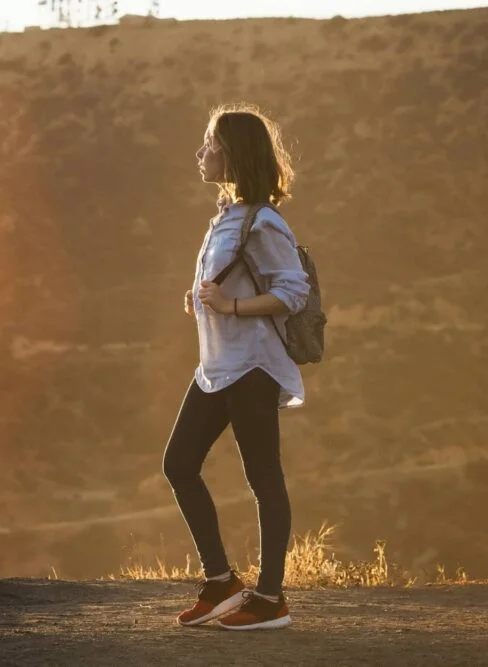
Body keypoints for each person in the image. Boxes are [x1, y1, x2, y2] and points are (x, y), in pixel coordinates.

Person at [164, 103, 310, 631]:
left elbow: (293, 290)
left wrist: (231, 307)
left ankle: (271, 600)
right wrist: (201, 300)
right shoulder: (227, 216)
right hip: (216, 365)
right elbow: (233, 280)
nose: (202, 153)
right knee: (179, 464)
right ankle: (222, 582)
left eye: (211, 145)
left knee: (263, 478)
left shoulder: (264, 220)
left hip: (251, 365)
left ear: (235, 155)